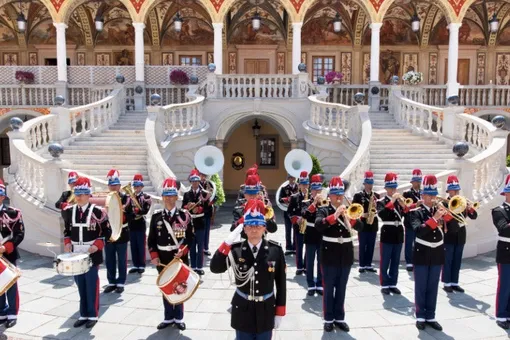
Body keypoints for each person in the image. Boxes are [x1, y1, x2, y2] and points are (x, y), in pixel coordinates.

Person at [210, 199, 286, 340]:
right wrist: (227, 242)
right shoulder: (236, 250)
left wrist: (280, 312)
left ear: (264, 228)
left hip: (266, 309)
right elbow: (215, 268)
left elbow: (281, 284)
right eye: (250, 225)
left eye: (258, 225)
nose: (254, 229)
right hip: (242, 310)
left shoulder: (275, 250)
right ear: (244, 229)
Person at [62, 177, 111, 329]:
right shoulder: (69, 211)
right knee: (80, 284)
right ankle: (83, 314)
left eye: (83, 193)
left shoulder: (98, 212)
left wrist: (97, 245)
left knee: (91, 284)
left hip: (91, 254)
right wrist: (67, 242)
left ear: (89, 194)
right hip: (76, 254)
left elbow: (107, 231)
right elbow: (67, 230)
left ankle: (93, 314)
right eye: (77, 193)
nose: (79, 196)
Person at [316, 177, 362, 332]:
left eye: (340, 194)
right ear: (329, 195)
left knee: (341, 287)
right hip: (329, 254)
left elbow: (362, 227)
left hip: (345, 254)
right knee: (329, 288)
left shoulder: (348, 209)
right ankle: (328, 318)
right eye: (335, 194)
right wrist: (334, 216)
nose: (338, 197)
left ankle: (340, 317)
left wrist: (352, 218)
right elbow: (318, 226)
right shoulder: (324, 209)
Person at [148, 178, 193, 331]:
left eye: (171, 195)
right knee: (166, 287)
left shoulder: (185, 216)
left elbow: (191, 238)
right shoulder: (156, 217)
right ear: (162, 197)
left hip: (179, 257)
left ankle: (179, 317)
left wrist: (184, 250)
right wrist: (154, 255)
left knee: (180, 286)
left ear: (176, 197)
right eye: (166, 195)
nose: (168, 198)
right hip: (163, 258)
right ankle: (168, 317)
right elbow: (151, 240)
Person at [409, 175, 446, 331]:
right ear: (422, 196)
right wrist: (435, 218)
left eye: (433, 195)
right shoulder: (416, 213)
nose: (431, 198)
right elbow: (419, 231)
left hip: (437, 254)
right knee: (421, 286)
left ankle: (431, 315)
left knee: (433, 286)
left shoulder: (440, 211)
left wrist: (446, 217)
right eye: (428, 195)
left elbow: (453, 231)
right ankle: (420, 316)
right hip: (422, 253)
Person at [442, 175, 477, 293]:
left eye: (457, 189)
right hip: (449, 235)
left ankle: (454, 282)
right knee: (448, 259)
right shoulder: (445, 204)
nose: (456, 192)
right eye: (453, 190)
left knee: (457, 260)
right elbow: (446, 219)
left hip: (461, 235)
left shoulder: (462, 202)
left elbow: (474, 216)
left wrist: (470, 207)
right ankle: (447, 283)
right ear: (448, 191)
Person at [376, 173, 409, 295]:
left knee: (395, 261)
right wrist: (393, 201)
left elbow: (407, 215)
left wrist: (403, 206)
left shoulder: (400, 202)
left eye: (394, 188)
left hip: (398, 233)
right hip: (387, 232)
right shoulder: (381, 201)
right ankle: (385, 283)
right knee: (385, 260)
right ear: (385, 188)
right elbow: (383, 215)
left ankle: (393, 283)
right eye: (390, 188)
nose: (393, 190)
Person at [104, 169, 135, 294]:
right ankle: (111, 281)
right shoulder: (106, 198)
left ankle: (121, 282)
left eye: (115, 185)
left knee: (122, 259)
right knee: (109, 258)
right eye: (111, 185)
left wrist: (124, 214)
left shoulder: (126, 198)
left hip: (122, 231)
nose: (113, 187)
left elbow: (132, 215)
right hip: (109, 232)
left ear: (119, 186)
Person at [182, 169, 209, 275]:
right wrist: (187, 206)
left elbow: (207, 208)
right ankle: (193, 266)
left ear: (199, 182)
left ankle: (199, 267)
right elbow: (183, 207)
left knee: (200, 245)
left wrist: (200, 209)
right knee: (192, 246)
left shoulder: (204, 193)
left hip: (200, 222)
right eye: (193, 181)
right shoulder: (187, 194)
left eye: (196, 181)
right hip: (190, 223)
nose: (194, 183)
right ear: (190, 182)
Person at [352, 171, 380, 273]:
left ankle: (368, 264)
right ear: (364, 184)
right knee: (362, 244)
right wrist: (363, 214)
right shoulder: (359, 195)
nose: (370, 186)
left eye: (371, 184)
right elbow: (353, 209)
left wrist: (375, 210)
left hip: (373, 224)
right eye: (368, 184)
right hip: (363, 224)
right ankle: (362, 265)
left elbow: (379, 209)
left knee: (371, 245)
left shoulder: (376, 195)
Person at [302, 174, 324, 296]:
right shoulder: (306, 202)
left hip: (321, 235)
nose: (317, 192)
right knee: (309, 262)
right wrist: (314, 203)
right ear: (311, 190)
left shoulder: (325, 203)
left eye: (319, 190)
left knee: (321, 261)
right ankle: (310, 284)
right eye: (315, 190)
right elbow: (304, 215)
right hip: (310, 234)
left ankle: (320, 284)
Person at [128, 174, 152, 274]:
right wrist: (132, 213)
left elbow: (145, 210)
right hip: (132, 224)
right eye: (135, 186)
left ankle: (141, 265)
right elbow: (127, 210)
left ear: (142, 187)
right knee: (133, 246)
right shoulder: (129, 197)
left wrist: (138, 211)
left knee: (141, 245)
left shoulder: (146, 197)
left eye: (138, 186)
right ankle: (135, 264)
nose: (136, 188)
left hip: (140, 223)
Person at [287, 171, 308, 275]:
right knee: (299, 247)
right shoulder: (295, 197)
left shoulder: (312, 197)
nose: (305, 187)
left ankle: (306, 266)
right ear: (299, 185)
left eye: (306, 184)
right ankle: (299, 267)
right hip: (298, 225)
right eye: (303, 184)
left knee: (308, 247)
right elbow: (289, 211)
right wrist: (296, 219)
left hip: (309, 226)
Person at [402, 169, 422, 272]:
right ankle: (409, 262)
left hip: (420, 221)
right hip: (410, 221)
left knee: (419, 242)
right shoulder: (407, 193)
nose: (417, 183)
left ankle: (417, 260)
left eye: (418, 181)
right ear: (412, 182)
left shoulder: (423, 193)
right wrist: (415, 204)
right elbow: (404, 208)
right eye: (415, 182)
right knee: (409, 243)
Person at [278, 174, 298, 255]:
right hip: (287, 211)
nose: (292, 179)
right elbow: (279, 199)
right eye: (290, 177)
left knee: (296, 230)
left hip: (296, 212)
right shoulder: (284, 188)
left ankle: (295, 247)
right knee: (288, 230)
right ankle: (288, 248)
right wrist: (287, 199)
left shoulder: (299, 187)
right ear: (288, 178)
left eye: (293, 177)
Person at [200, 172, 216, 256]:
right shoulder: (196, 184)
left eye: (204, 175)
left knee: (206, 231)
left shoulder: (210, 184)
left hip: (207, 210)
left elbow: (215, 196)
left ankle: (205, 248)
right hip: (199, 211)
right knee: (199, 231)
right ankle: (199, 247)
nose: (203, 177)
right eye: (201, 175)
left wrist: (212, 201)